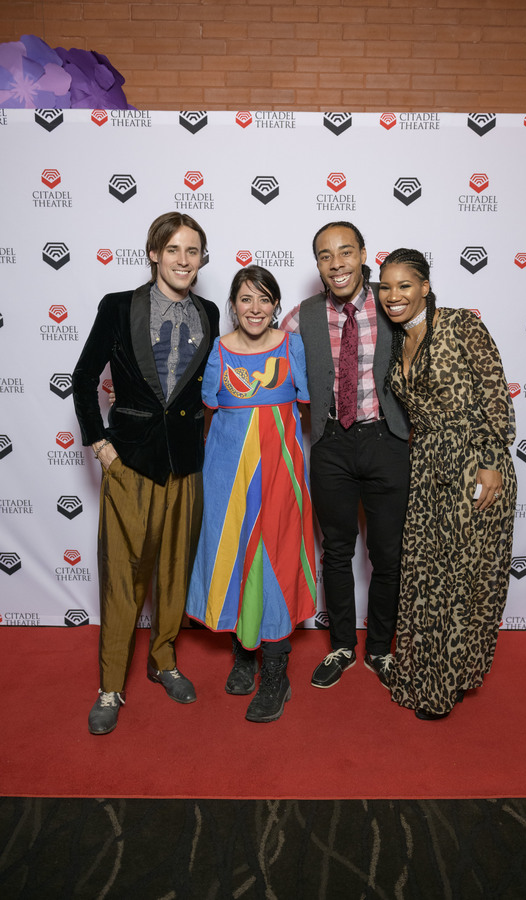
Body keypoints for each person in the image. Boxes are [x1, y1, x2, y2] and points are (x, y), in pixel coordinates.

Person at [72, 212, 219, 735]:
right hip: (130, 461)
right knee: (123, 576)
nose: (184, 260)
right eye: (174, 249)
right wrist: (100, 444)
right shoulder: (118, 307)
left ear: (203, 259)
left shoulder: (210, 311)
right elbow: (84, 377)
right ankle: (111, 684)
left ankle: (163, 660)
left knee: (174, 570)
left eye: (193, 251)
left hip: (186, 463)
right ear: (154, 253)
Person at [378, 247, 517, 720]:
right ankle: (421, 672)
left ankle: (447, 682)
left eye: (404, 285)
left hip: (473, 465)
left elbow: (494, 393)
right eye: (386, 286)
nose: (393, 296)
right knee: (424, 576)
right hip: (428, 465)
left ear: (425, 287)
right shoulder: (398, 340)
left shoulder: (460, 325)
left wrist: (492, 461)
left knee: (461, 580)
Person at [281, 222, 410, 690]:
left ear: (363, 255)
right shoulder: (301, 316)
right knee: (335, 551)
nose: (336, 263)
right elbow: (267, 360)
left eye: (345, 252)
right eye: (325, 255)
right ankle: (341, 646)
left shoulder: (393, 301)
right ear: (317, 264)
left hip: (388, 441)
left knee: (388, 553)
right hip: (331, 442)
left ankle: (379, 649)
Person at [186, 266, 316, 723]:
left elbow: (302, 402)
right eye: (245, 299)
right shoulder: (219, 351)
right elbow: (212, 409)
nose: (255, 309)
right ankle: (244, 653)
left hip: (281, 470)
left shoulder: (291, 345)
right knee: (237, 557)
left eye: (264, 299)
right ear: (233, 305)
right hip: (228, 473)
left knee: (274, 558)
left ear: (276, 305)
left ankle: (276, 673)